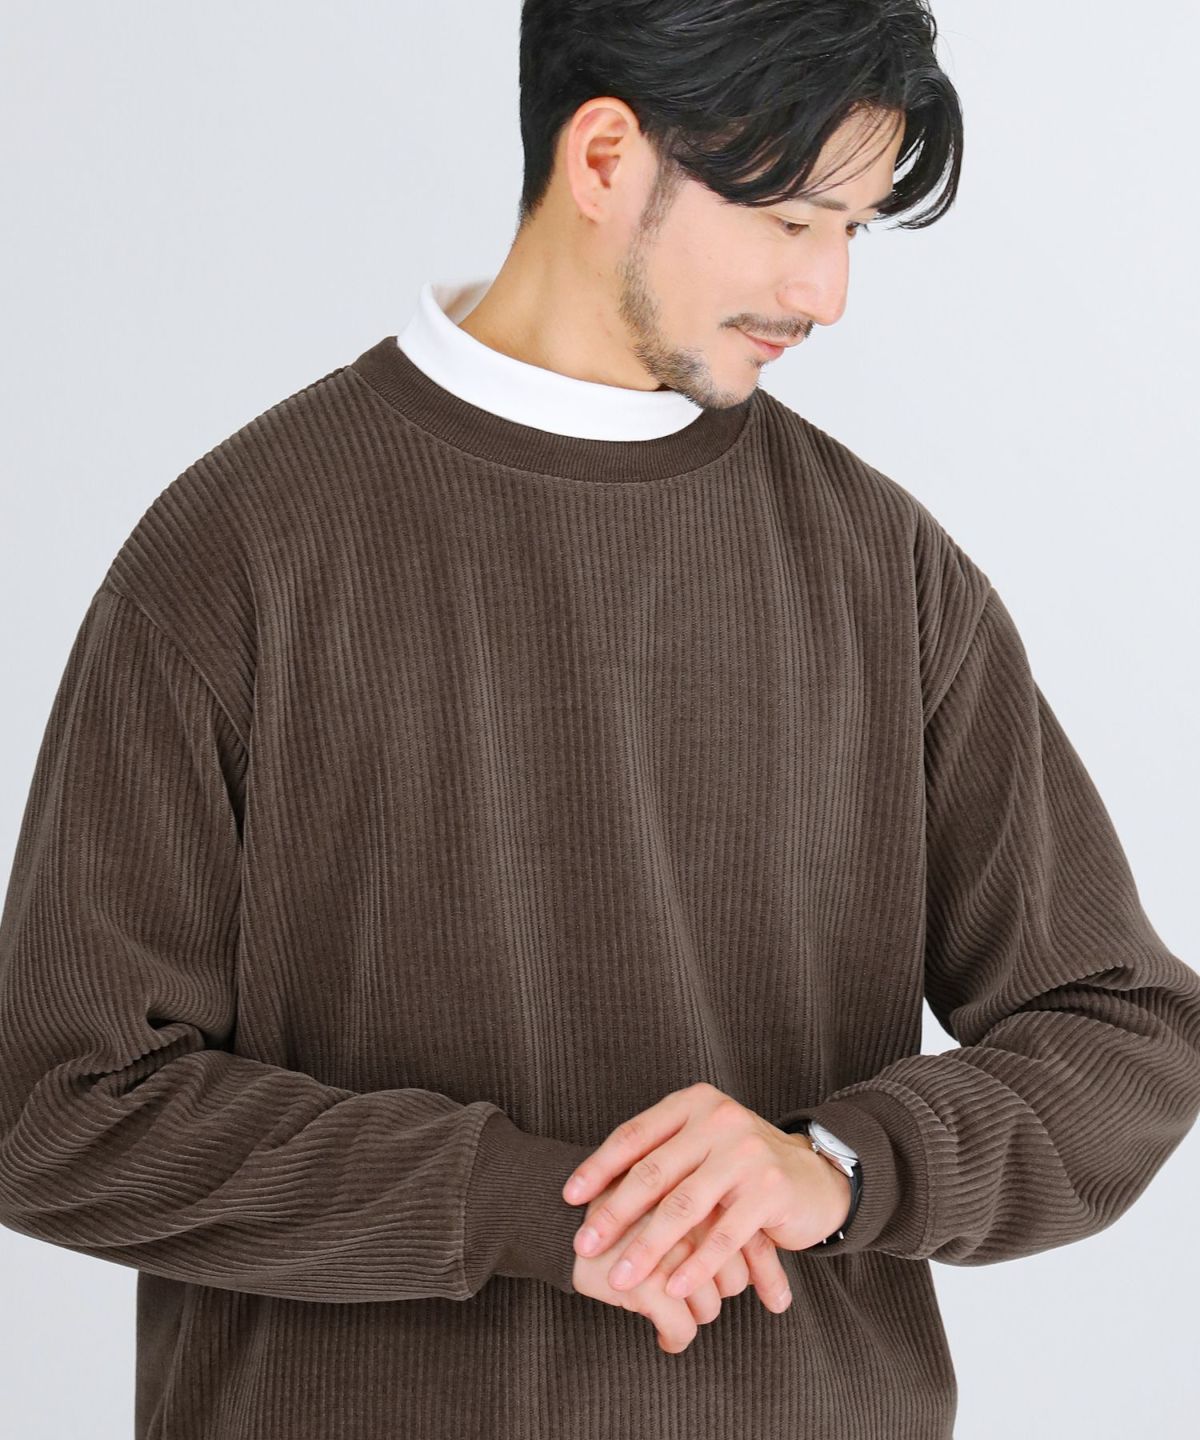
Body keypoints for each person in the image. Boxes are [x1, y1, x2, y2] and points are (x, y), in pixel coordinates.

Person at [2, 2, 1198, 1437]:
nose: (825, 293)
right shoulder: (240, 550)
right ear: (606, 156)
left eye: (853, 234)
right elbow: (56, 1104)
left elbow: (1124, 1030)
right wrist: (523, 1203)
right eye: (792, 220)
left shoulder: (883, 569)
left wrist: (841, 1165)